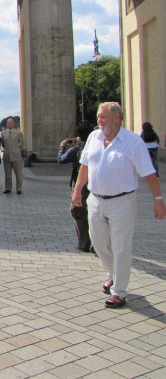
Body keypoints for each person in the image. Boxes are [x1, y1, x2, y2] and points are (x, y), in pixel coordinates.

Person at [71, 102, 165, 309]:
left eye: (103, 116)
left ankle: (119, 292)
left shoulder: (132, 142)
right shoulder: (94, 138)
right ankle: (112, 274)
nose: (99, 120)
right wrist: (77, 190)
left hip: (123, 201)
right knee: (99, 242)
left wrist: (158, 199)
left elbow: (149, 173)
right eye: (98, 116)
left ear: (117, 118)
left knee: (121, 247)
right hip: (95, 199)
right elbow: (85, 165)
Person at [58, 121, 94, 252]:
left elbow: (61, 159)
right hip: (96, 185)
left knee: (79, 213)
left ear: (78, 136)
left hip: (79, 184)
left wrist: (62, 147)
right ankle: (97, 244)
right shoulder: (99, 147)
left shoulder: (75, 149)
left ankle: (84, 243)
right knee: (95, 214)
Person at [1, 117, 24, 194]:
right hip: (6, 156)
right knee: (7, 174)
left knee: (18, 173)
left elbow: (22, 145)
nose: (9, 124)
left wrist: (17, 150)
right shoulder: (3, 133)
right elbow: (3, 144)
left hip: (16, 156)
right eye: (7, 123)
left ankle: (19, 188)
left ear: (14, 124)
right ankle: (8, 188)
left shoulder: (19, 133)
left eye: (10, 123)